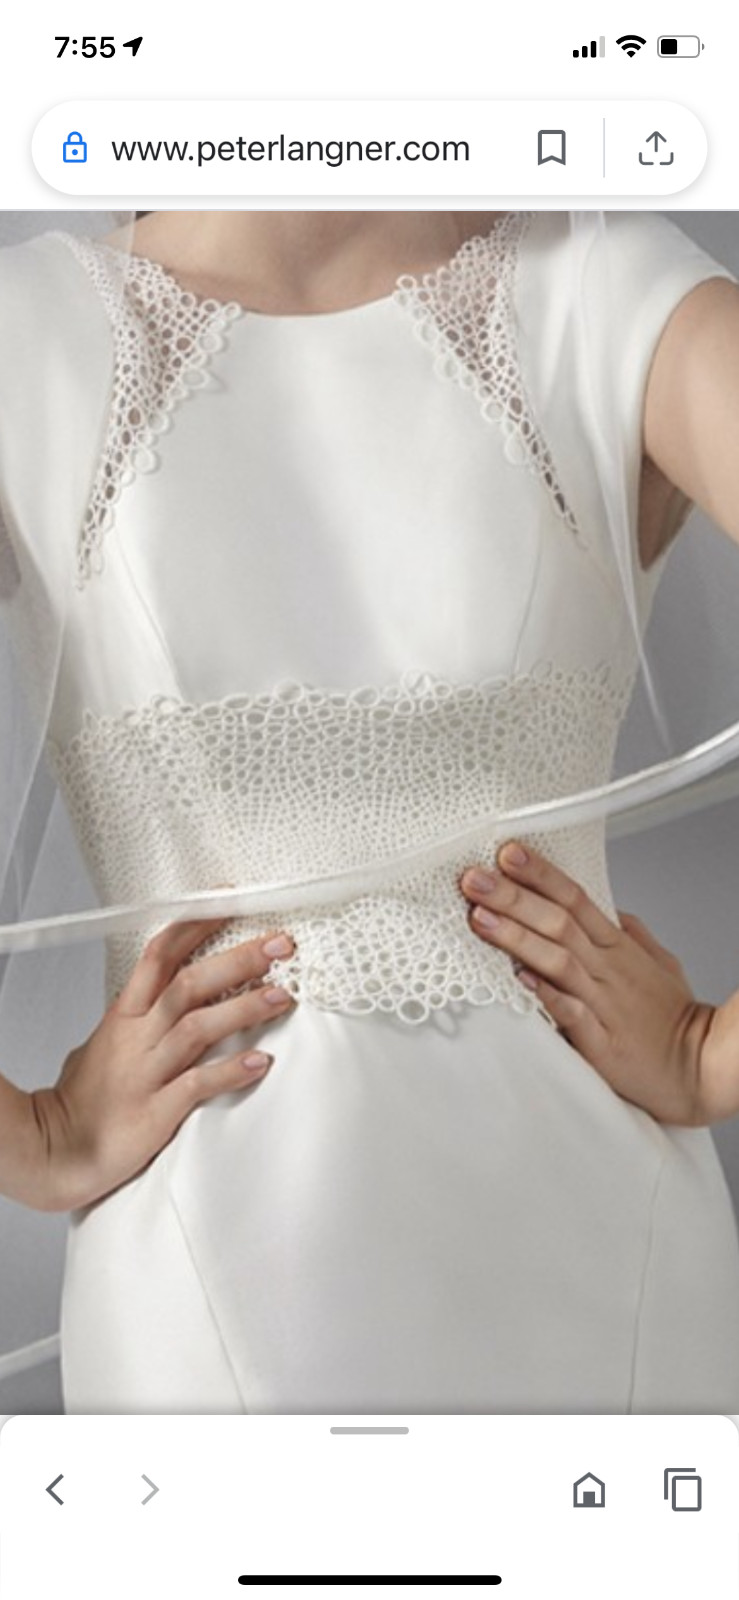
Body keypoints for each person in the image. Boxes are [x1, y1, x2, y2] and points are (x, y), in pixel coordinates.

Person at [2, 208, 739, 1412]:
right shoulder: (26, 338)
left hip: (603, 1242)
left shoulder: (608, 295)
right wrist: (33, 1137)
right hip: (205, 1271)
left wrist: (711, 1054)